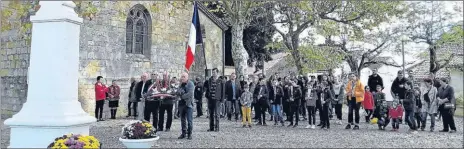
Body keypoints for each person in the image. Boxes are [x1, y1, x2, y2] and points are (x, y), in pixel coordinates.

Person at [177, 72, 194, 140]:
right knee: (183, 120)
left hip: (188, 104)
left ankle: (189, 134)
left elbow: (190, 94)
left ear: (187, 77)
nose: (182, 78)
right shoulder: (180, 84)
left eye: (184, 77)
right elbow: (178, 91)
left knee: (189, 121)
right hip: (181, 105)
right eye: (182, 76)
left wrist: (182, 96)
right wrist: (181, 93)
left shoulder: (190, 84)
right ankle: (184, 133)